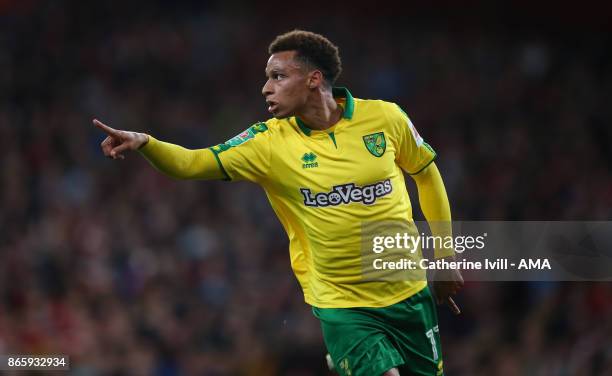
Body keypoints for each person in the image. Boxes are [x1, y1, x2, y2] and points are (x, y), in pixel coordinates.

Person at [94, 30, 463, 376]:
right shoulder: (267, 143)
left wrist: (445, 257)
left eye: (278, 77)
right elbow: (193, 163)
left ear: (313, 79)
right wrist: (147, 142)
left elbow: (426, 175)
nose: (265, 88)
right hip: (342, 305)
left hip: (408, 292)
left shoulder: (386, 118)